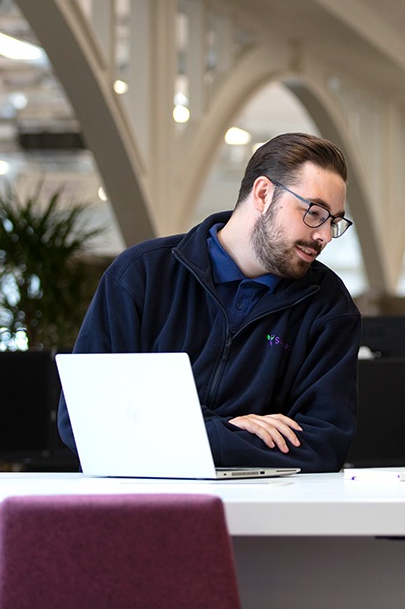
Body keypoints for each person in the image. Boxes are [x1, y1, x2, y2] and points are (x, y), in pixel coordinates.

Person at [59, 132, 360, 472]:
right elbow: (83, 420)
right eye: (315, 212)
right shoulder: (141, 275)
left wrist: (172, 435)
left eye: (333, 221)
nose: (323, 235)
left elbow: (323, 445)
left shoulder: (330, 308)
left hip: (265, 511)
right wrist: (221, 431)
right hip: (141, 501)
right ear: (263, 194)